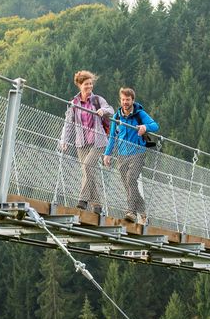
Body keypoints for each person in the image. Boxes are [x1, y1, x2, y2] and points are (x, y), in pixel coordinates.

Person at [56, 70, 113, 215]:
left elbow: (110, 110)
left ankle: (82, 201)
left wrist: (102, 110)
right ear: (79, 85)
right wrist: (64, 140)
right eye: (86, 84)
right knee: (87, 171)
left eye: (91, 84)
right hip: (81, 142)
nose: (89, 87)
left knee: (87, 167)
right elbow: (68, 124)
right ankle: (97, 205)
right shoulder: (74, 104)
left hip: (98, 141)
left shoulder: (97, 100)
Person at [102, 86, 158, 223]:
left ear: (132, 100)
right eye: (123, 100)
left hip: (138, 152)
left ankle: (131, 212)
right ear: (120, 100)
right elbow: (112, 137)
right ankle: (143, 211)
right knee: (128, 184)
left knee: (131, 179)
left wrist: (145, 127)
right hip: (122, 154)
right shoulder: (116, 116)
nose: (125, 102)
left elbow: (155, 125)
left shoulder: (139, 114)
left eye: (127, 100)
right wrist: (107, 154)